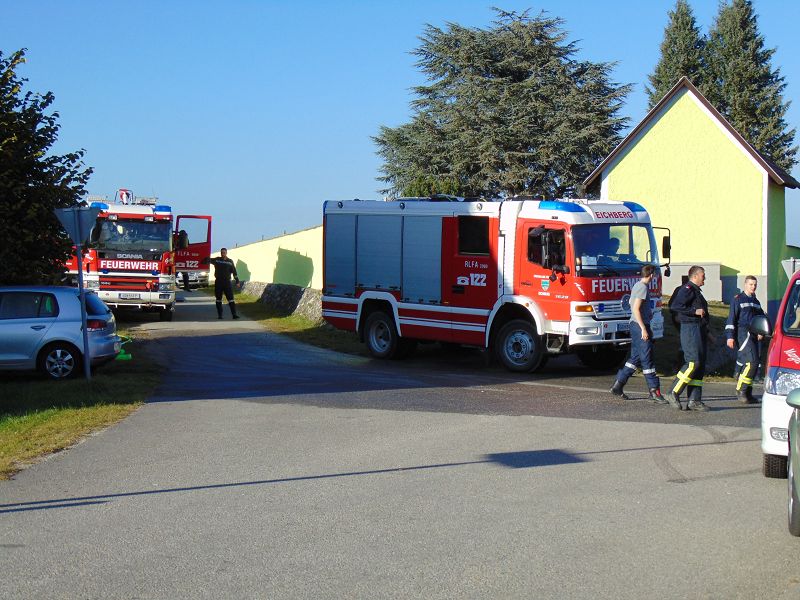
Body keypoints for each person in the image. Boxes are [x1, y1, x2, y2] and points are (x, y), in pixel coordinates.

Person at [609, 265, 672, 406]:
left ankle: (618, 386)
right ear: (651, 275)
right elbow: (636, 308)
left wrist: (647, 314)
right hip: (639, 326)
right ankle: (654, 391)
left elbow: (635, 306)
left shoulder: (638, 285)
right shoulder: (642, 287)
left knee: (635, 358)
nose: (655, 277)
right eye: (654, 275)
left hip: (637, 325)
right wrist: (643, 328)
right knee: (647, 358)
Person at [665, 266, 711, 411]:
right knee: (693, 363)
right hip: (690, 329)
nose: (705, 278)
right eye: (703, 275)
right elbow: (675, 306)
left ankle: (694, 400)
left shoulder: (696, 292)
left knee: (700, 365)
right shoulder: (687, 289)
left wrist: (708, 333)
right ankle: (673, 392)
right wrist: (694, 311)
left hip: (699, 329)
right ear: (695, 276)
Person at [726, 275, 763, 403]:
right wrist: (730, 337)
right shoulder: (738, 299)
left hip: (754, 334)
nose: (753, 287)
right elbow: (731, 319)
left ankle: (748, 393)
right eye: (751, 284)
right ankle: (740, 389)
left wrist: (762, 331)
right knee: (751, 361)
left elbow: (761, 318)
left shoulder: (756, 302)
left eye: (755, 284)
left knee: (754, 362)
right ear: (745, 285)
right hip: (742, 333)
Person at [205, 248, 240, 319]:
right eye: (221, 252)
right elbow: (208, 259)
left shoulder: (230, 261)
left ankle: (234, 315)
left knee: (231, 299)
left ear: (226, 253)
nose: (222, 254)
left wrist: (237, 281)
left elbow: (234, 272)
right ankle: (220, 315)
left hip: (227, 282)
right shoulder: (217, 260)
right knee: (218, 299)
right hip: (218, 282)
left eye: (224, 252)